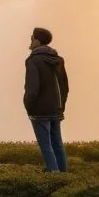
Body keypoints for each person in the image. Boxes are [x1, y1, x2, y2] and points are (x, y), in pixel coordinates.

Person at [24, 26, 69, 172]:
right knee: (57, 144)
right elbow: (65, 87)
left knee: (46, 146)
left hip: (39, 110)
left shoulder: (33, 60)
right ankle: (63, 176)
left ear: (38, 41)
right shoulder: (58, 60)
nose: (30, 41)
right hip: (56, 109)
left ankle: (54, 175)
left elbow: (32, 88)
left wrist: (29, 107)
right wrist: (61, 106)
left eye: (32, 38)